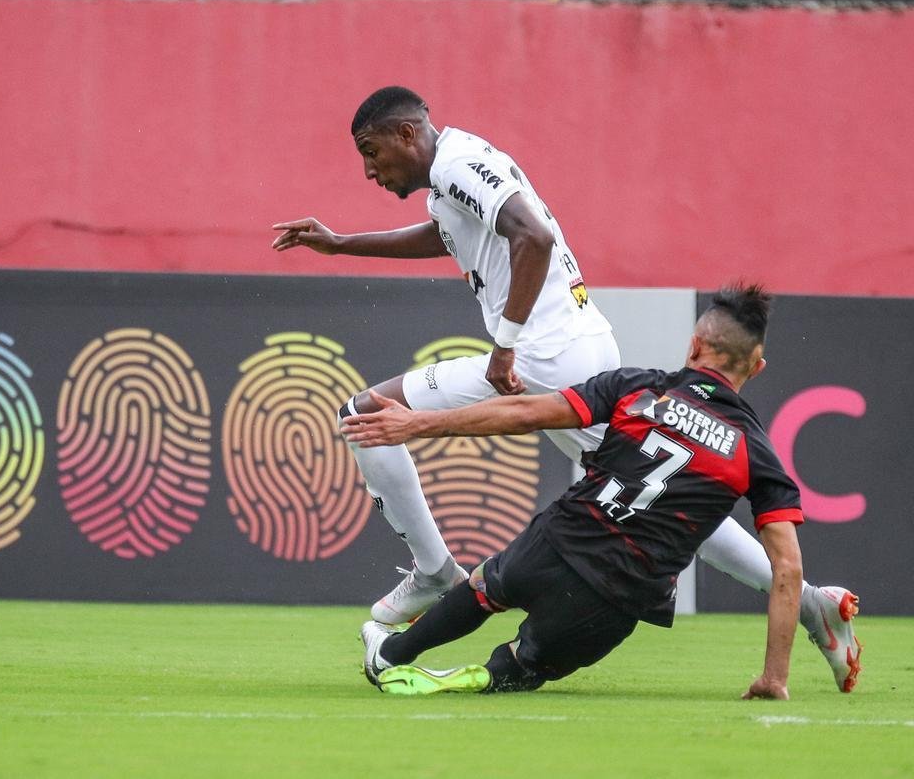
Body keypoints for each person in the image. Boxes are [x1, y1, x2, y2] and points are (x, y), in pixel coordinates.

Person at [272, 86, 857, 690]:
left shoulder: (454, 164)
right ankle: (812, 602)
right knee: (661, 487)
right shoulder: (452, 178)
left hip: (545, 358)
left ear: (406, 134)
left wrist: (505, 342)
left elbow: (535, 236)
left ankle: (434, 573)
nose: (369, 169)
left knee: (366, 413)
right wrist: (341, 242)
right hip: (577, 347)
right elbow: (445, 235)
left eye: (371, 152)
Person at [343, 284, 861, 697]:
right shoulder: (756, 452)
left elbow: (523, 412)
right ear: (756, 367)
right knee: (519, 670)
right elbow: (787, 569)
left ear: (695, 346)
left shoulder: (633, 387)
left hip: (550, 547)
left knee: (484, 589)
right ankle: (482, 674)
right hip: (618, 600)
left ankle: (390, 655)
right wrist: (774, 678)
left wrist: (419, 425)